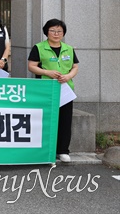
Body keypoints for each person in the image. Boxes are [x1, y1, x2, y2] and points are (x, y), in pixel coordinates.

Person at [28, 19, 79, 163]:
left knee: (65, 120)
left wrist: (68, 76)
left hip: (65, 89)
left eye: (59, 31)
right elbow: (31, 66)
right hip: (46, 89)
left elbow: (75, 66)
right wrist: (47, 72)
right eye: (53, 31)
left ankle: (62, 150)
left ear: (63, 33)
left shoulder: (68, 48)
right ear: (46, 32)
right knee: (45, 119)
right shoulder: (39, 47)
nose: (56, 34)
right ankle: (44, 150)